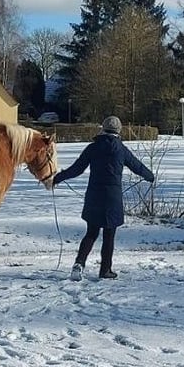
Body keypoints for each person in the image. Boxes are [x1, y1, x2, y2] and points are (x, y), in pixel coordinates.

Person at [50, 115, 154, 280]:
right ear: (119, 131)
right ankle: (105, 270)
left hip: (94, 196)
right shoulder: (121, 149)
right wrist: (150, 176)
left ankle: (79, 264)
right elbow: (137, 166)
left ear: (103, 129)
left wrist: (58, 177)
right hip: (113, 198)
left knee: (91, 233)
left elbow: (77, 168)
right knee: (109, 235)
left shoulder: (93, 148)